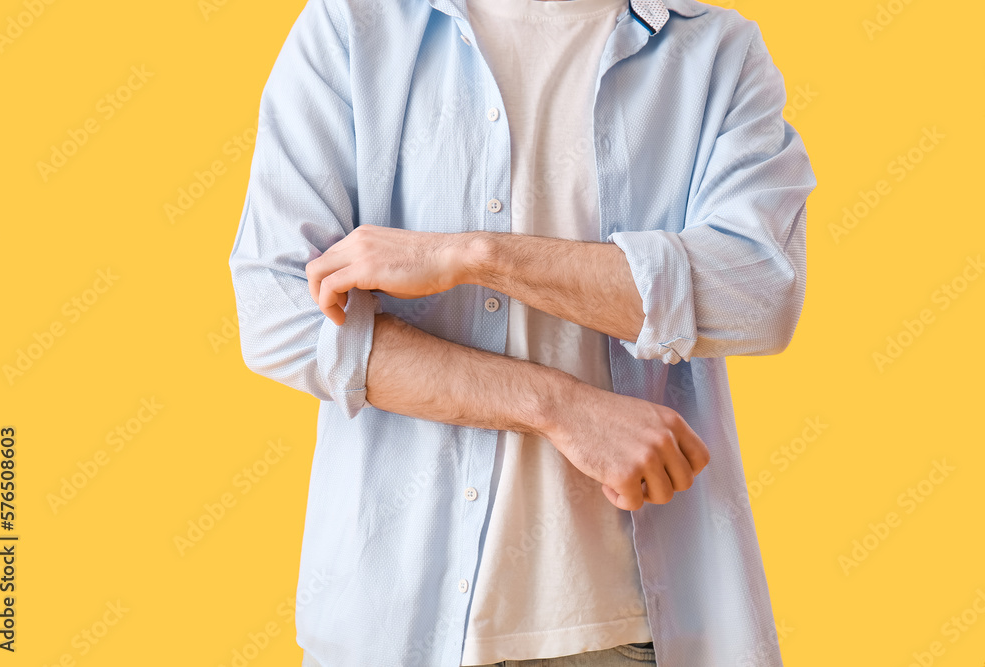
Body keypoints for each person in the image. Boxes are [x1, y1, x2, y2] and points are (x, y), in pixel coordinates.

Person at [227, 0, 817, 665]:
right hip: (392, 622)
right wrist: (559, 407)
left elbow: (759, 291)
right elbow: (281, 312)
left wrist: (478, 255)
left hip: (622, 631)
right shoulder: (352, 27)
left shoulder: (715, 54)